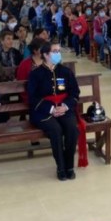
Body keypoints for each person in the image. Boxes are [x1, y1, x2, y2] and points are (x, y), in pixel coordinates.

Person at [27, 41, 80, 181]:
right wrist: (50, 109)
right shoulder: (36, 74)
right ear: (45, 54)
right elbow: (32, 98)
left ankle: (69, 166)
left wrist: (65, 106)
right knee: (55, 130)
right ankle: (61, 167)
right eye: (55, 51)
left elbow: (74, 93)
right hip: (43, 111)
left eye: (59, 51)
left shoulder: (65, 71)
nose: (58, 54)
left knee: (72, 130)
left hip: (63, 108)